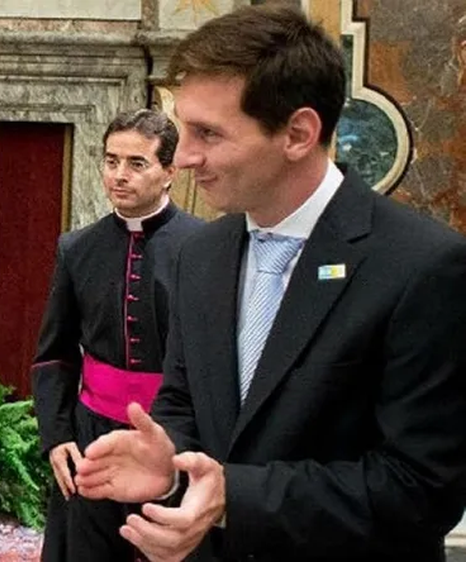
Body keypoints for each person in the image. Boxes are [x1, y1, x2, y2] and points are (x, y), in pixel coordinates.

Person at [74, 4, 466, 562]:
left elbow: (421, 488)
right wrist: (170, 466)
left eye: (208, 133)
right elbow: (184, 403)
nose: (184, 157)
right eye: (184, 128)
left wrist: (235, 497)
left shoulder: (422, 265)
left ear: (298, 133)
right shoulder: (200, 255)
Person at [31, 109, 203, 561]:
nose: (119, 175)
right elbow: (54, 354)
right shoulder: (77, 248)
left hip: (176, 439)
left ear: (170, 171)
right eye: (111, 161)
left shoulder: (207, 248)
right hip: (94, 437)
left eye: (136, 163)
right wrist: (57, 436)